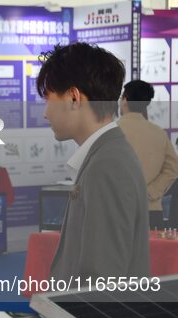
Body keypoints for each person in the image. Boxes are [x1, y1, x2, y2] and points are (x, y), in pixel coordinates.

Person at [36, 43, 150, 281]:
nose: (46, 112)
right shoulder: (104, 155)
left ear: (74, 97)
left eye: (49, 99)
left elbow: (102, 278)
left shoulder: (108, 164)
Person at [118, 80, 178, 229]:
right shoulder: (159, 133)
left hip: (119, 211)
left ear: (125, 100)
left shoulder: (112, 132)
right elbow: (173, 168)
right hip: (152, 211)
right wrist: (152, 191)